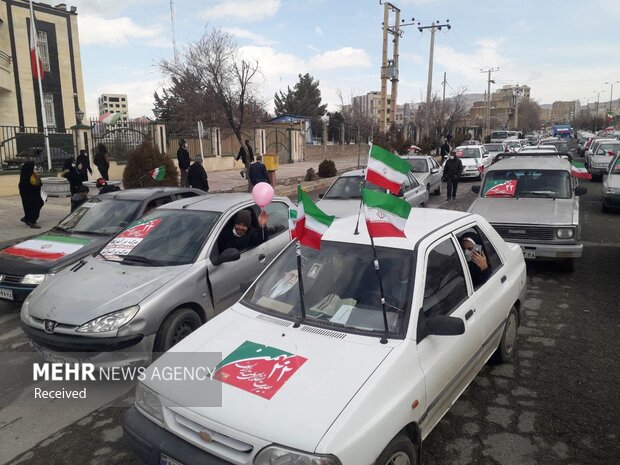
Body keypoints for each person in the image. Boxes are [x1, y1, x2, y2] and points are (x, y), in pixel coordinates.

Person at [18, 161, 44, 229]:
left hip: (36, 195)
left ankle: (27, 218)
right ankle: (32, 222)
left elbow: (39, 184)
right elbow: (27, 187)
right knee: (32, 207)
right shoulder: (25, 177)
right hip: (29, 196)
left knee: (40, 203)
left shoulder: (33, 175)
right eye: (33, 166)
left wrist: (37, 176)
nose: (35, 167)